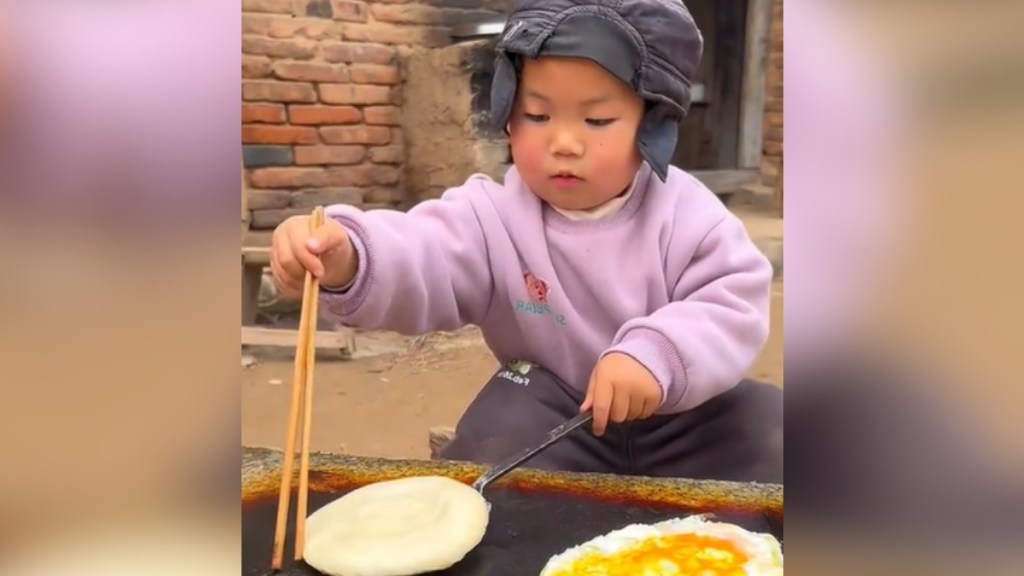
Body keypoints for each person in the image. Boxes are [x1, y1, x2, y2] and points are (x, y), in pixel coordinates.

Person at [270, 0, 782, 484]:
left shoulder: (689, 215)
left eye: (597, 120)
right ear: (507, 115)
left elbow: (729, 303)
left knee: (776, 428)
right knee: (489, 448)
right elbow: (425, 252)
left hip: (685, 416)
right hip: (560, 413)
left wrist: (658, 355)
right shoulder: (490, 218)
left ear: (651, 125)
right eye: (537, 115)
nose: (563, 142)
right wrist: (350, 256)